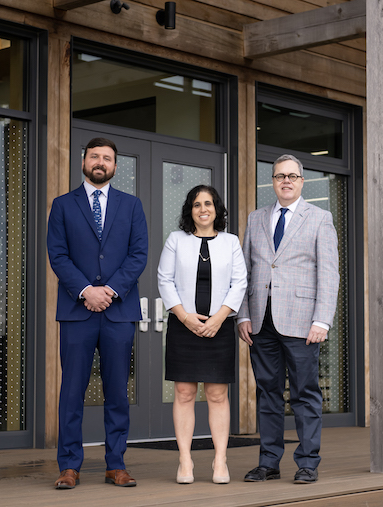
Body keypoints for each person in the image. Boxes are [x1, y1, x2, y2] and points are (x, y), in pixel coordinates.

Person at [47, 137, 148, 489]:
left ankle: (115, 464)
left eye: (107, 158)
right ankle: (69, 466)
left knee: (117, 391)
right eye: (94, 157)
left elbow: (138, 255)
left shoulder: (132, 205)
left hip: (119, 311)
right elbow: (58, 255)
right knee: (72, 391)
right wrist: (87, 290)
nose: (100, 162)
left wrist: (109, 291)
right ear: (84, 161)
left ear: (116, 166)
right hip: (77, 310)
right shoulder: (62, 205)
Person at [237, 154, 339, 485]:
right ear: (272, 181)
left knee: (304, 393)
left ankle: (307, 462)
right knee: (267, 393)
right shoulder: (256, 218)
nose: (286, 181)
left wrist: (322, 320)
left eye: (292, 176)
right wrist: (242, 315)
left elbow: (329, 273)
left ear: (302, 181)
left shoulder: (320, 218)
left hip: (302, 321)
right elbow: (245, 272)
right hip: (261, 322)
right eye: (280, 176)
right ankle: (268, 462)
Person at [157, 185, 247, 485]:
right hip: (183, 328)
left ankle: (220, 461)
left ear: (217, 209)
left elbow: (239, 283)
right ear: (190, 211)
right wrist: (185, 317)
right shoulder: (175, 241)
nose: (203, 209)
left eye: (208, 203)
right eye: (197, 204)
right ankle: (185, 460)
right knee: (183, 393)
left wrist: (219, 319)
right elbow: (164, 280)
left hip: (219, 328)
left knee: (217, 395)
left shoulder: (231, 242)